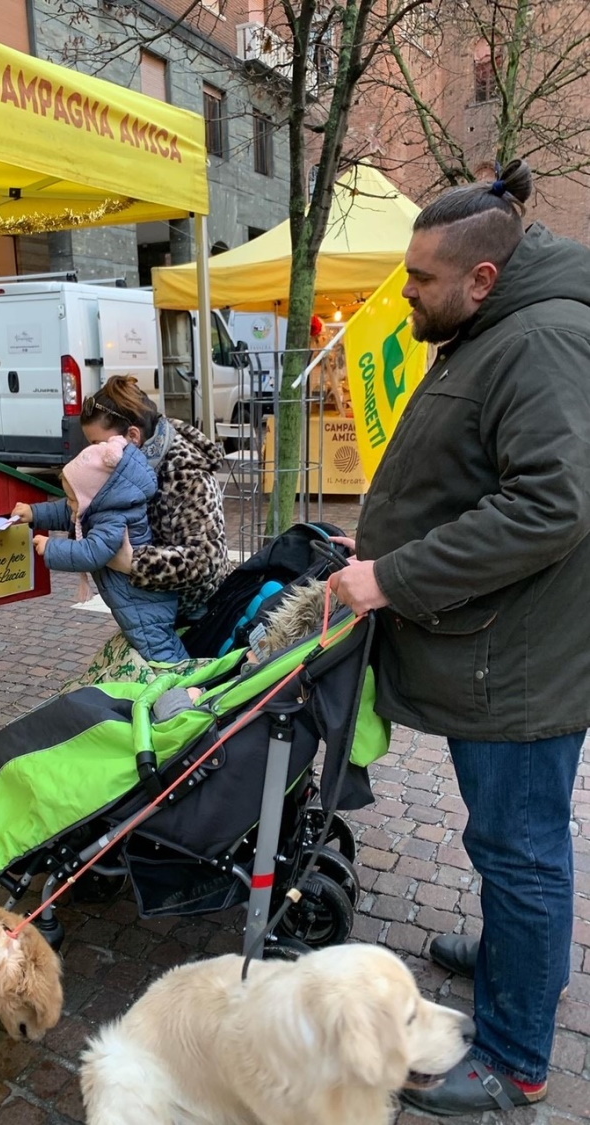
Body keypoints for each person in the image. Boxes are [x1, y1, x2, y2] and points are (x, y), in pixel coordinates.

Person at [330, 158, 590, 1115]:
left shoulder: (545, 340)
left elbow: (550, 504)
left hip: (520, 666)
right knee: (506, 841)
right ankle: (512, 952)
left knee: (522, 847)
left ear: (482, 277)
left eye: (420, 279)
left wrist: (390, 574)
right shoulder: (496, 325)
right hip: (500, 647)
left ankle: (516, 1053)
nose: (407, 293)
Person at [13, 435, 189, 665]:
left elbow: (93, 552)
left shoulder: (113, 517)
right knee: (165, 644)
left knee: (159, 654)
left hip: (142, 603)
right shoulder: (104, 505)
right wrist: (34, 513)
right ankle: (195, 678)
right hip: (139, 599)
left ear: (92, 497)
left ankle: (185, 691)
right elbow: (68, 514)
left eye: (73, 499)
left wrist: (51, 547)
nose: (69, 504)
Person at [79, 375, 230, 620]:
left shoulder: (187, 474)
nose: (94, 454)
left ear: (133, 436)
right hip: (151, 606)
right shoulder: (127, 467)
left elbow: (205, 561)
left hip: (195, 615)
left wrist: (132, 563)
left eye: (98, 444)